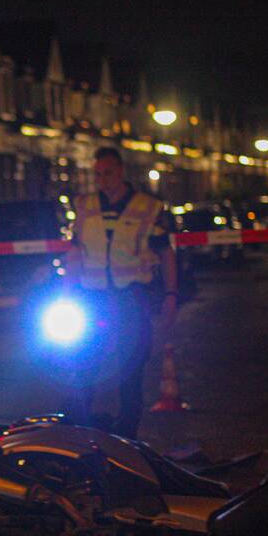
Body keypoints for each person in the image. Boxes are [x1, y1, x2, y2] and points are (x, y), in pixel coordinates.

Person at [62, 146, 178, 439]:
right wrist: (66, 291)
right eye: (98, 174)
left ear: (121, 171)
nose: (103, 179)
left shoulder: (147, 206)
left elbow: (166, 253)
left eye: (108, 172)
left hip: (131, 295)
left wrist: (171, 294)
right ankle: (83, 430)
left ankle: (127, 434)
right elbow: (76, 251)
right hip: (92, 297)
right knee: (85, 360)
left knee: (131, 363)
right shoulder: (85, 205)